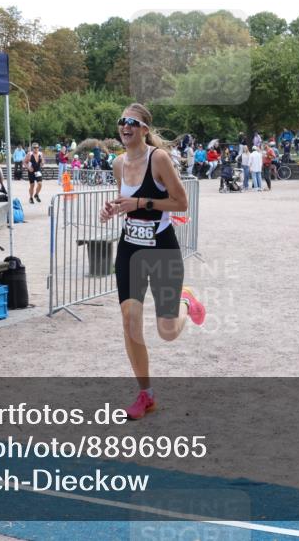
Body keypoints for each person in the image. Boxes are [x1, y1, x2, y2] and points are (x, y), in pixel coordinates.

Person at [100, 103, 205, 420]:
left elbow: (181, 202)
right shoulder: (118, 164)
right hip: (130, 249)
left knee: (167, 331)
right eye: (121, 122)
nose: (125, 127)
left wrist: (140, 201)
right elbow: (126, 203)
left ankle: (187, 300)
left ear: (144, 129)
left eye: (131, 122)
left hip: (161, 248)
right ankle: (145, 394)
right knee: (129, 321)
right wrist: (113, 209)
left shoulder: (157, 159)